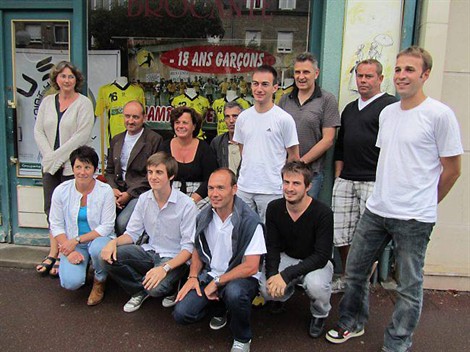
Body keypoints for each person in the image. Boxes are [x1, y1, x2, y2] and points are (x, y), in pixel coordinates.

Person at [326, 47, 463, 352]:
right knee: (356, 271)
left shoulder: (439, 115)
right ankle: (352, 322)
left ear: (425, 75)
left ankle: (397, 343)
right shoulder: (388, 113)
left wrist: (427, 201)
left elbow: (453, 170)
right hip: (377, 209)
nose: (402, 75)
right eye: (399, 69)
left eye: (410, 70)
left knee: (409, 286)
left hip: (414, 217)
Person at [173, 168, 266, 352]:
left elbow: (251, 266)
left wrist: (217, 282)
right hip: (211, 273)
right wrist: (193, 277)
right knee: (181, 314)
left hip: (241, 277)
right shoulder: (203, 215)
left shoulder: (250, 220)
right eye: (211, 188)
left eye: (221, 188)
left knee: (235, 294)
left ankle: (242, 337)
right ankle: (220, 308)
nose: (214, 194)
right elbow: (198, 249)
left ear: (234, 189)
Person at [331, 59, 397, 293]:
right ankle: (349, 278)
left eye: (369, 76)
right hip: (347, 179)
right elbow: (340, 147)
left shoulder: (390, 106)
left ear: (380, 78)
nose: (363, 81)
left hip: (373, 181)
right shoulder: (349, 109)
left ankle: (360, 282)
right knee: (342, 233)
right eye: (360, 76)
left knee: (367, 235)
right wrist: (339, 175)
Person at [101, 152, 198, 312]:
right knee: (107, 257)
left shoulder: (186, 205)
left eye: (159, 172)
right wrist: (113, 242)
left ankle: (171, 284)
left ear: (171, 176)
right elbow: (132, 234)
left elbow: (188, 249)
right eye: (150, 172)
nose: (153, 177)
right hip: (150, 251)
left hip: (174, 259)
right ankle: (138, 290)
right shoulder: (144, 199)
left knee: (156, 289)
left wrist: (164, 269)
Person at [34, 61, 95, 277]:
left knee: (69, 210)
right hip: (50, 165)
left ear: (76, 80)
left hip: (71, 166)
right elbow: (38, 131)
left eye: (70, 77)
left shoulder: (84, 104)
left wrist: (58, 157)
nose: (66, 80)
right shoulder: (47, 101)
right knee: (51, 208)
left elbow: (82, 136)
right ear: (56, 79)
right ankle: (53, 250)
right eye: (62, 76)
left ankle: (63, 253)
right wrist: (50, 157)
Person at [259, 161, 334, 338]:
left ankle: (319, 314)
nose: (289, 188)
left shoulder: (323, 213)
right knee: (265, 287)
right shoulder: (274, 208)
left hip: (316, 261)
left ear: (308, 186)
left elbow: (322, 256)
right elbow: (272, 246)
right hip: (288, 256)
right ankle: (281, 297)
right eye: (286, 182)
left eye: (296, 183)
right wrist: (272, 275)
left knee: (316, 286)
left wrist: (285, 276)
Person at [49, 146, 115, 305]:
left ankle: (100, 279)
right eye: (78, 167)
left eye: (87, 167)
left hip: (98, 239)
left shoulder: (105, 191)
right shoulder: (61, 191)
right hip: (72, 243)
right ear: (72, 168)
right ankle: (84, 267)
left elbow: (106, 226)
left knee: (97, 249)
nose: (82, 172)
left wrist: (76, 240)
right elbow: (56, 224)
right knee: (70, 283)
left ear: (95, 169)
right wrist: (68, 249)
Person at [233, 65, 299, 222]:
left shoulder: (284, 119)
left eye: (265, 84)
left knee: (269, 237)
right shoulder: (243, 118)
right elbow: (243, 150)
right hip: (245, 188)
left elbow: (294, 156)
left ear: (275, 87)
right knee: (244, 235)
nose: (259, 89)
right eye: (255, 84)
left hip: (272, 189)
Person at [278, 53, 341, 198]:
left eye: (306, 72)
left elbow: (328, 139)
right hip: (284, 173)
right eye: (297, 72)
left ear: (316, 73)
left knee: (306, 216)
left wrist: (300, 162)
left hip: (311, 173)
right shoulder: (285, 100)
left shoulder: (327, 100)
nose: (301, 77)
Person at [105, 100, 162, 235]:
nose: (130, 121)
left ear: (144, 118)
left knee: (122, 223)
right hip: (116, 191)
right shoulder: (116, 139)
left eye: (135, 117)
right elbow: (110, 170)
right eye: (127, 116)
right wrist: (113, 189)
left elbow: (153, 175)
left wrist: (129, 194)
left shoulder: (154, 139)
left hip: (140, 193)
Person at [159, 106, 217, 209]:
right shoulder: (164, 147)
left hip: (200, 195)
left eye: (185, 123)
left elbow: (210, 179)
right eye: (177, 122)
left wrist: (193, 200)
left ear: (194, 126)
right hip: (169, 193)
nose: (180, 126)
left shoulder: (204, 148)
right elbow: (159, 175)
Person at [210, 101, 243, 174]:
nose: (231, 121)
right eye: (227, 116)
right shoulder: (217, 143)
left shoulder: (251, 142)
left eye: (235, 116)